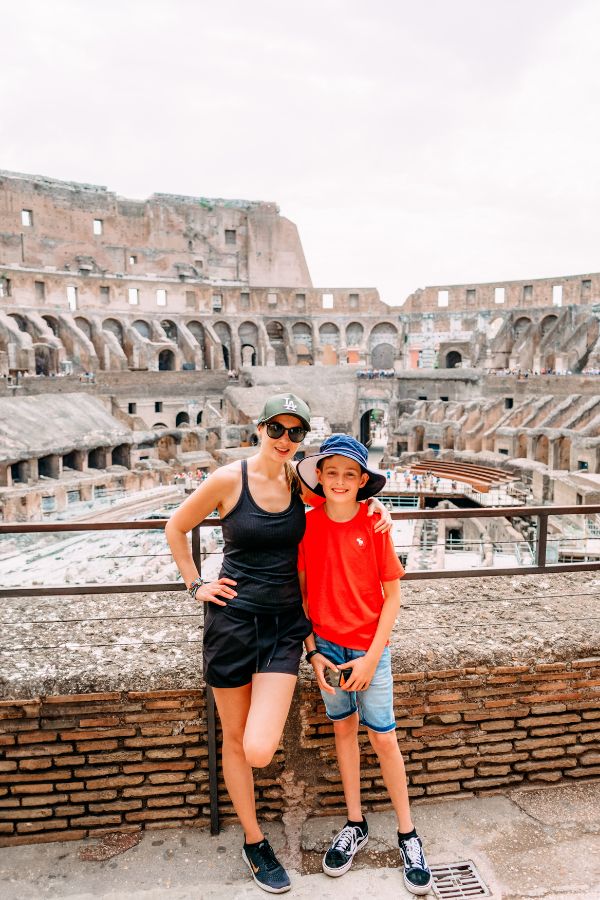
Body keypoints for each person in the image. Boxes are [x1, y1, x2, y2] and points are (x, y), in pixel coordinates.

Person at [165, 396, 391, 895]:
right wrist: (195, 583)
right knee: (234, 739)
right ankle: (253, 840)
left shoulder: (298, 483)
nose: (284, 439)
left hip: (285, 628)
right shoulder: (229, 479)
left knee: (259, 749)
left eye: (294, 432)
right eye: (276, 428)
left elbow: (344, 498)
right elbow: (176, 527)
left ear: (301, 439)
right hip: (232, 625)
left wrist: (378, 510)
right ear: (260, 428)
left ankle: (253, 827)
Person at [296, 434, 432, 896]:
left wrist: (373, 658)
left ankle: (408, 833)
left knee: (383, 737)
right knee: (343, 731)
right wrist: (312, 650)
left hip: (370, 648)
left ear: (361, 481)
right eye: (331, 472)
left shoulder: (375, 524)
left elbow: (393, 596)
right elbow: (301, 595)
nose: (338, 481)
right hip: (328, 651)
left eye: (348, 474)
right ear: (319, 476)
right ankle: (355, 822)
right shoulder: (306, 525)